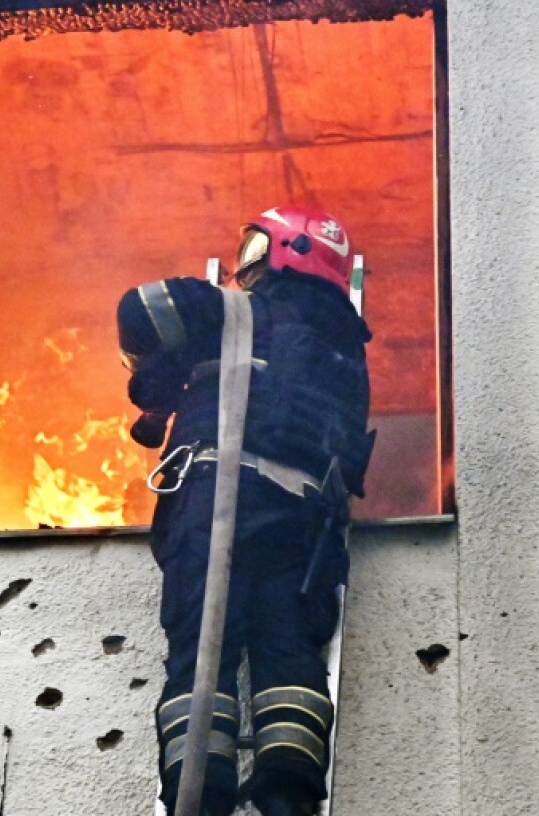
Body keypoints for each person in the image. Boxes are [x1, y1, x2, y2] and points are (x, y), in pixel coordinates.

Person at [116, 205, 374, 816]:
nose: (244, 262)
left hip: (218, 502)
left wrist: (160, 367)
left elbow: (143, 308)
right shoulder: (346, 356)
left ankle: (198, 793)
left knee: (203, 648)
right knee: (288, 650)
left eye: (254, 247)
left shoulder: (235, 313)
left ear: (283, 251)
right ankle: (287, 794)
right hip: (306, 528)